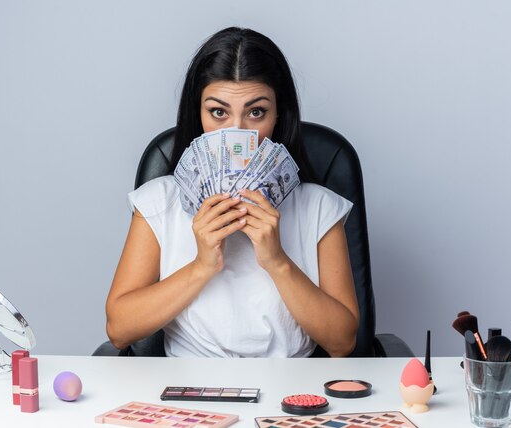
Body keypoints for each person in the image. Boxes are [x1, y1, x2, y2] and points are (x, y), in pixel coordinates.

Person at [106, 27, 359, 357]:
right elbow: (118, 330)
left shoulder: (319, 207)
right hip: (189, 391)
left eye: (256, 112)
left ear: (278, 114)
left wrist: (277, 261)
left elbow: (343, 343)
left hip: (291, 394)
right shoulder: (160, 202)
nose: (236, 133)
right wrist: (202, 265)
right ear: (197, 114)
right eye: (218, 112)